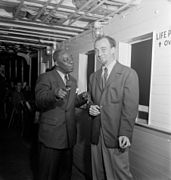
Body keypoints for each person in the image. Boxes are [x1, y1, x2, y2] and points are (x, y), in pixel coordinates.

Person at [88, 35, 139, 180]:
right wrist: (90, 108)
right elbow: (91, 100)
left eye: (103, 49)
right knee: (97, 175)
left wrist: (125, 133)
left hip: (116, 135)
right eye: (96, 50)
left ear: (113, 50)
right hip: (96, 135)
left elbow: (130, 108)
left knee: (119, 175)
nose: (99, 54)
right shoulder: (93, 77)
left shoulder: (128, 74)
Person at [35, 49, 89, 180]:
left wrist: (81, 98)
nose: (71, 61)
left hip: (68, 135)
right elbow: (39, 100)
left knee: (65, 174)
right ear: (56, 63)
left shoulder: (73, 80)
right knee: (48, 174)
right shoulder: (46, 77)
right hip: (51, 136)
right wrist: (54, 94)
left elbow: (69, 104)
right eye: (66, 59)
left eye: (71, 58)